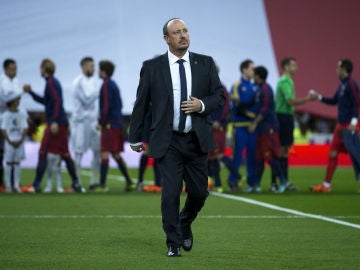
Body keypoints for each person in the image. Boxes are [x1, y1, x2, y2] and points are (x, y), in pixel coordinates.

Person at [129, 18, 225, 257]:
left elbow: (219, 97)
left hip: (196, 139)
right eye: (177, 32)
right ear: (166, 39)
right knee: (170, 193)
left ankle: (184, 222)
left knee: (199, 193)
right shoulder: (152, 67)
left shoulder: (205, 63)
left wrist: (201, 104)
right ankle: (172, 242)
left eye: (185, 31)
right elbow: (141, 103)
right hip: (168, 140)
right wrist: (135, 136)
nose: (183, 35)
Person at [23, 58, 84, 193]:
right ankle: (76, 184)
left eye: (41, 68)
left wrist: (54, 120)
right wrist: (31, 93)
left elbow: (57, 101)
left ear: (45, 68)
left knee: (43, 152)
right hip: (61, 122)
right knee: (64, 154)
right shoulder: (52, 82)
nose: (40, 70)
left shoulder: (50, 83)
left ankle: (36, 184)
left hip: (57, 123)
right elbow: (47, 101)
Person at [310, 59, 360, 192]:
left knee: (357, 155)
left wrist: (354, 123)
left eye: (338, 67)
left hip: (351, 126)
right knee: (332, 153)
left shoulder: (352, 84)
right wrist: (319, 97)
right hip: (341, 126)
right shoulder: (342, 85)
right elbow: (333, 101)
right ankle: (326, 186)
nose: (336, 70)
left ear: (344, 69)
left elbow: (357, 103)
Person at [92, 60, 133, 192]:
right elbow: (119, 105)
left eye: (99, 69)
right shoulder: (113, 84)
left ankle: (102, 185)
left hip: (109, 125)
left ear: (103, 71)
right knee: (115, 154)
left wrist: (101, 122)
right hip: (116, 124)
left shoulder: (106, 84)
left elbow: (106, 106)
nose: (98, 71)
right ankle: (129, 182)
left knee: (105, 152)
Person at [274, 57, 315, 191]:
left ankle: (282, 181)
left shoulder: (288, 81)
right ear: (286, 67)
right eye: (293, 65)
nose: (296, 67)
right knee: (281, 150)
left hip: (286, 116)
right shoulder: (285, 81)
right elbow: (290, 101)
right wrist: (307, 99)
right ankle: (279, 182)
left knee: (284, 150)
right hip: (283, 117)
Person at [248, 66, 288, 193]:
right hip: (262, 129)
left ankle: (283, 182)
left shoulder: (266, 89)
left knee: (270, 156)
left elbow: (265, 110)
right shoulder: (260, 89)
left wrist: (254, 123)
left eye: (254, 75)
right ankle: (256, 185)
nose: (252, 77)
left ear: (258, 76)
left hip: (269, 128)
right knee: (260, 157)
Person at [229, 59, 259, 192]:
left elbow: (258, 106)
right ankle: (233, 181)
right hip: (240, 125)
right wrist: (252, 116)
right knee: (237, 155)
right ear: (244, 70)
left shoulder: (255, 87)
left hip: (252, 127)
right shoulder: (237, 85)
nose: (254, 71)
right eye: (252, 68)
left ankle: (251, 184)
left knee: (252, 155)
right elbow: (237, 105)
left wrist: (255, 118)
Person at [72, 57, 100, 187]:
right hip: (81, 122)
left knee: (97, 151)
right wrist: (98, 92)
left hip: (93, 122)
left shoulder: (94, 82)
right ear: (84, 66)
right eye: (91, 66)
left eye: (94, 66)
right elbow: (86, 100)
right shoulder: (77, 82)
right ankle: (77, 181)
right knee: (78, 153)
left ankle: (94, 181)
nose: (93, 69)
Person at [208, 82, 240, 193]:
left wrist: (218, 121)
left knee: (218, 154)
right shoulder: (206, 86)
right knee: (211, 156)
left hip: (219, 127)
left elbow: (226, 107)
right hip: (209, 126)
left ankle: (237, 176)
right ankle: (217, 184)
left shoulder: (220, 88)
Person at [1, 90, 28, 193]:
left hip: (19, 142)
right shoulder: (6, 115)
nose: (18, 101)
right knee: (8, 163)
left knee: (17, 163)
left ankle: (16, 185)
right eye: (17, 99)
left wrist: (20, 139)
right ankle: (8, 186)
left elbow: (25, 127)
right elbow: (3, 129)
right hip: (10, 142)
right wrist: (10, 141)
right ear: (11, 101)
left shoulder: (21, 113)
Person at [0, 59, 21, 192]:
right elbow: (7, 99)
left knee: (14, 155)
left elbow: (17, 101)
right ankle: (2, 182)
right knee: (1, 153)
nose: (15, 71)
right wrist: (21, 92)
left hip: (14, 122)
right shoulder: (2, 82)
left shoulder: (16, 81)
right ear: (5, 69)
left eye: (15, 68)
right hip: (2, 120)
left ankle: (13, 183)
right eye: (12, 69)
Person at [136, 109, 162, 193]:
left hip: (159, 125)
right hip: (151, 124)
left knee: (154, 153)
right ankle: (142, 182)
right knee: (150, 152)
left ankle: (158, 183)